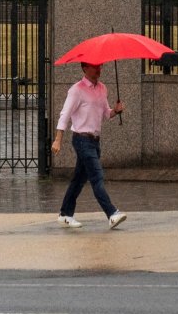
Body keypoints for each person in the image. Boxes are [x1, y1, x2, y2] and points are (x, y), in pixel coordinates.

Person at [51, 61, 127, 229]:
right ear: (85, 68)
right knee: (96, 176)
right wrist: (58, 138)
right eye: (94, 66)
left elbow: (106, 114)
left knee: (78, 180)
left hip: (94, 140)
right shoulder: (76, 90)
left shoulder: (102, 88)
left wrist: (116, 111)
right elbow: (65, 114)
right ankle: (112, 213)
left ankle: (65, 214)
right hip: (81, 139)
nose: (98, 69)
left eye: (99, 66)